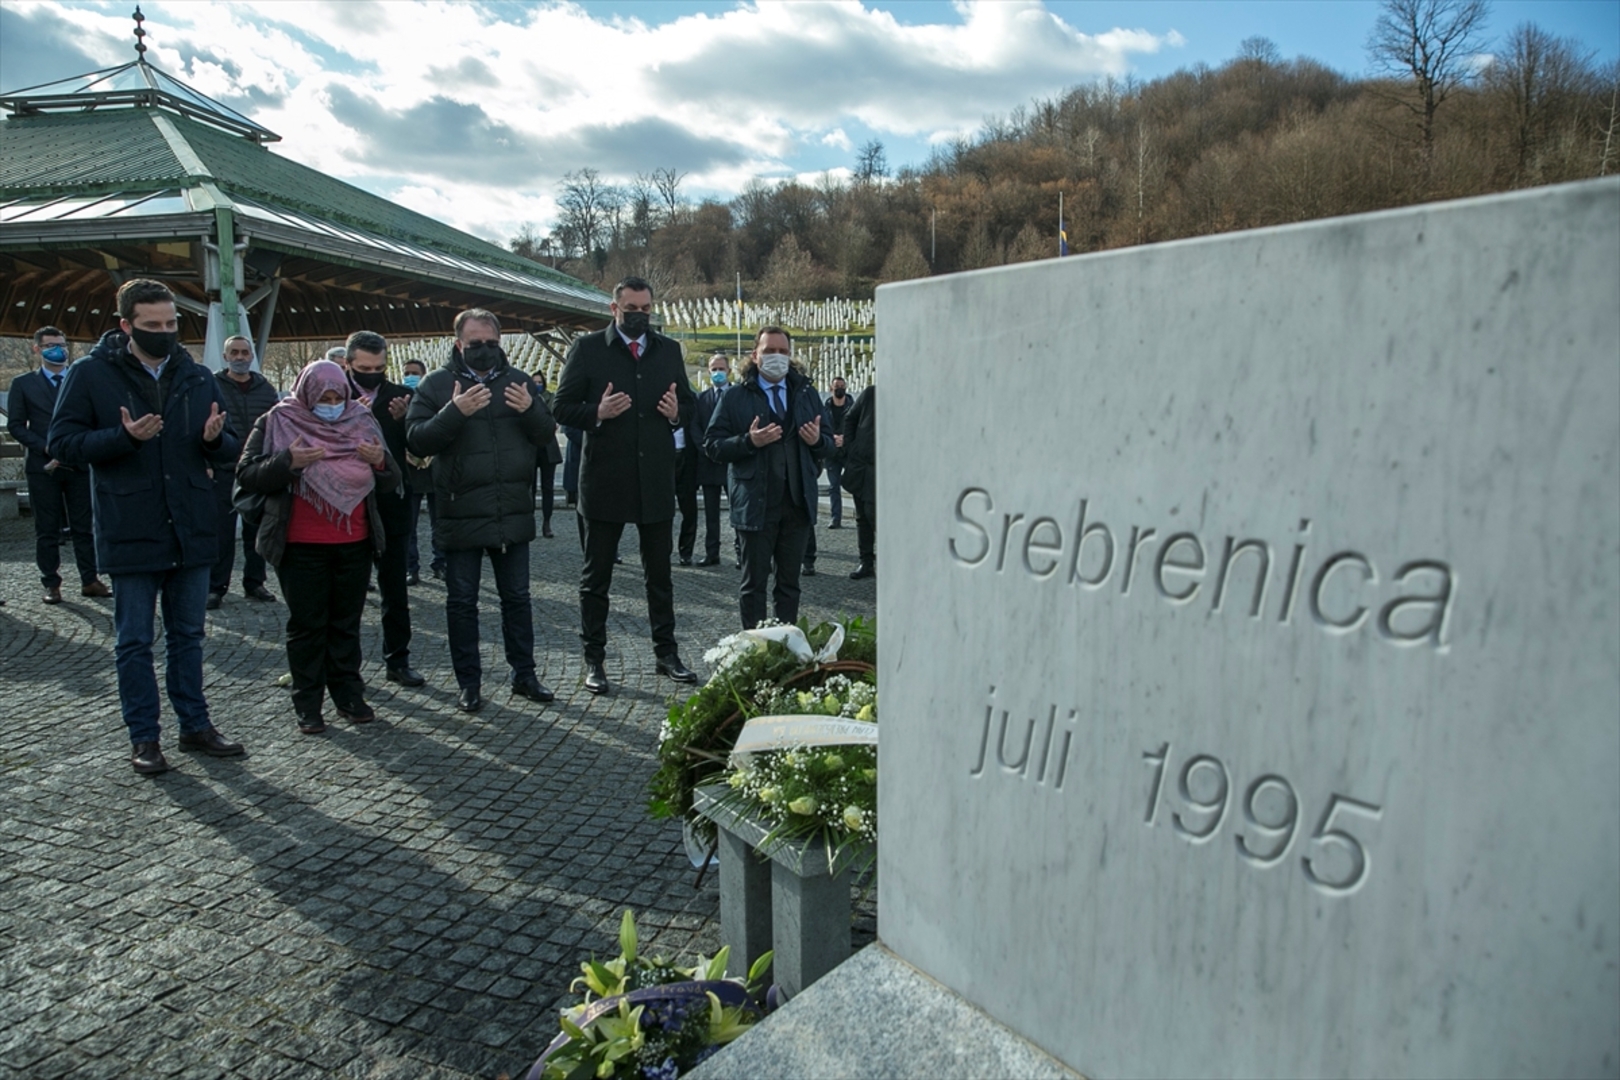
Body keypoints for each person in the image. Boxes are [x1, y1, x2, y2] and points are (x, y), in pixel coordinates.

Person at [47, 278, 245, 774]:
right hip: (130, 523)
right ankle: (144, 738)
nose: (165, 333)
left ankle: (195, 726)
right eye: (152, 326)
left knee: (189, 635)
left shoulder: (197, 375)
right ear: (125, 325)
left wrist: (214, 441)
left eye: (172, 324)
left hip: (191, 525)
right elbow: (63, 443)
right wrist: (124, 438)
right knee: (134, 640)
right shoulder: (91, 374)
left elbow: (229, 448)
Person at [406, 309, 559, 712]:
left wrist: (531, 408)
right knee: (461, 602)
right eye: (475, 344)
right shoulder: (436, 385)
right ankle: (469, 683)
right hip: (459, 512)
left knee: (518, 599)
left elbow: (546, 437)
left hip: (510, 511)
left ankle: (524, 675)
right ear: (459, 344)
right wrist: (455, 412)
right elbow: (417, 441)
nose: (484, 350)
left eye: (491, 343)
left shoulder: (520, 382)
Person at [552, 276, 698, 695]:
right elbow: (561, 406)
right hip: (604, 480)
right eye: (631, 309)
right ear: (614, 310)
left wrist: (675, 414)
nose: (639, 316)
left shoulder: (667, 350)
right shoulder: (588, 349)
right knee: (596, 578)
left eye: (646, 309)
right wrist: (596, 411)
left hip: (654, 479)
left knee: (660, 576)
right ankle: (594, 658)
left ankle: (666, 652)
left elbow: (687, 404)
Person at [237, 360, 400, 733]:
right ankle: (308, 704)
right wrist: (287, 462)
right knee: (308, 626)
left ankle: (349, 696)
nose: (329, 402)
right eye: (322, 396)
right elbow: (246, 475)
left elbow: (392, 479)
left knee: (346, 624)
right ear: (307, 392)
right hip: (299, 542)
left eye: (336, 395)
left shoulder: (361, 421)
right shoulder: (277, 420)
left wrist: (379, 464)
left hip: (354, 540)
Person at [704, 327, 833, 629]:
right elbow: (712, 445)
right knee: (754, 586)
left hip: (796, 503)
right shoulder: (736, 396)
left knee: (790, 585)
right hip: (755, 503)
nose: (777, 357)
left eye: (783, 352)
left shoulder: (807, 394)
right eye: (770, 351)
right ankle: (754, 650)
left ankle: (786, 647)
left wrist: (817, 441)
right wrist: (748, 442)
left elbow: (829, 443)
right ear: (755, 355)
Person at [345, 332, 424, 687]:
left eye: (378, 368)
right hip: (347, 504)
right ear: (348, 365)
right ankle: (348, 668)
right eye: (364, 368)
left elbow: (420, 447)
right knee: (348, 592)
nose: (371, 374)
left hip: (392, 502)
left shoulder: (400, 396)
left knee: (394, 588)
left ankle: (398, 659)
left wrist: (406, 421)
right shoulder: (334, 396)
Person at [7, 326, 108, 604]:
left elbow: (94, 417)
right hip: (43, 466)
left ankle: (90, 579)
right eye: (52, 345)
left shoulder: (79, 379)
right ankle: (51, 583)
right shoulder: (24, 384)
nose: (59, 350)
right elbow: (16, 425)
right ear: (37, 349)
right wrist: (45, 447)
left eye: (63, 345)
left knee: (84, 526)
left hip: (78, 463)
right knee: (47, 529)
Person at [208, 335, 279, 610]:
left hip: (257, 467)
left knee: (257, 529)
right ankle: (216, 587)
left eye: (244, 352)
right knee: (221, 532)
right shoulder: (212, 386)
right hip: (222, 466)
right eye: (234, 353)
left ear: (252, 356)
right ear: (226, 357)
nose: (240, 357)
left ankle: (255, 582)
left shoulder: (266, 388)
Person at [693, 353, 731, 567]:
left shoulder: (736, 395)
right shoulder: (701, 398)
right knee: (711, 514)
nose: (717, 373)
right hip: (708, 463)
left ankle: (741, 551)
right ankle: (711, 552)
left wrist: (727, 449)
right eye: (714, 369)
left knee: (738, 511)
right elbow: (695, 427)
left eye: (721, 369)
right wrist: (707, 449)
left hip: (731, 462)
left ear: (729, 370)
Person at [398, 358, 433, 584]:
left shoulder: (432, 397)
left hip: (433, 469)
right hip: (408, 470)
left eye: (414, 372)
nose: (410, 376)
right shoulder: (397, 399)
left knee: (439, 522)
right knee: (408, 526)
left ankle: (440, 563)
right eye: (407, 372)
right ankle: (412, 567)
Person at [842, 383, 877, 580]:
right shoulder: (871, 393)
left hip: (888, 469)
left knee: (876, 517)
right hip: (861, 467)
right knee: (862, 517)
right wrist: (850, 448)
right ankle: (866, 561)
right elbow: (850, 418)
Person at [673, 370, 701, 566]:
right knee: (661, 509)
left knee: (689, 509)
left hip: (688, 459)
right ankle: (661, 549)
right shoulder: (656, 397)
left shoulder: (692, 400)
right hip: (663, 459)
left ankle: (686, 550)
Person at [533, 373, 562, 540]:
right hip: (531, 448)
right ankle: (531, 522)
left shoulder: (550, 398)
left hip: (548, 448)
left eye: (539, 382)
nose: (537, 385)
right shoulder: (527, 398)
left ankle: (547, 522)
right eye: (534, 382)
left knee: (547, 487)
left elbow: (552, 419)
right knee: (530, 488)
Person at [823, 375, 852, 529]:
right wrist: (832, 437)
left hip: (849, 452)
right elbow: (821, 427)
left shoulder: (853, 407)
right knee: (833, 487)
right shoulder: (824, 408)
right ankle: (836, 518)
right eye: (837, 386)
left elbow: (858, 427)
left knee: (856, 485)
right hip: (832, 453)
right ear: (830, 388)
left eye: (842, 386)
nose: (840, 388)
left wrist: (845, 439)